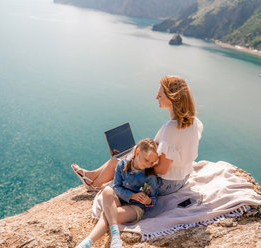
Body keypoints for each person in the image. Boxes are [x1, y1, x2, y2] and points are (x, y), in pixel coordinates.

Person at [71, 75, 203, 195]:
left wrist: (136, 163)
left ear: (172, 99)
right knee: (128, 153)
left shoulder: (171, 128)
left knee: (122, 161)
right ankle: (91, 175)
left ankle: (94, 185)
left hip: (164, 185)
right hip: (182, 177)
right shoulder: (195, 122)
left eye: (160, 95)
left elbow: (162, 169)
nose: (156, 98)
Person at [67, 138, 160, 248]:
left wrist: (147, 201)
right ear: (137, 152)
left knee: (107, 214)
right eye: (146, 160)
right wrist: (131, 195)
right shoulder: (122, 164)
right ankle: (115, 237)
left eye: (152, 162)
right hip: (120, 199)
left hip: (135, 207)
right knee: (107, 190)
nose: (149, 165)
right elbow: (116, 186)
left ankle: (86, 245)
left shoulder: (150, 176)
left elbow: (153, 198)